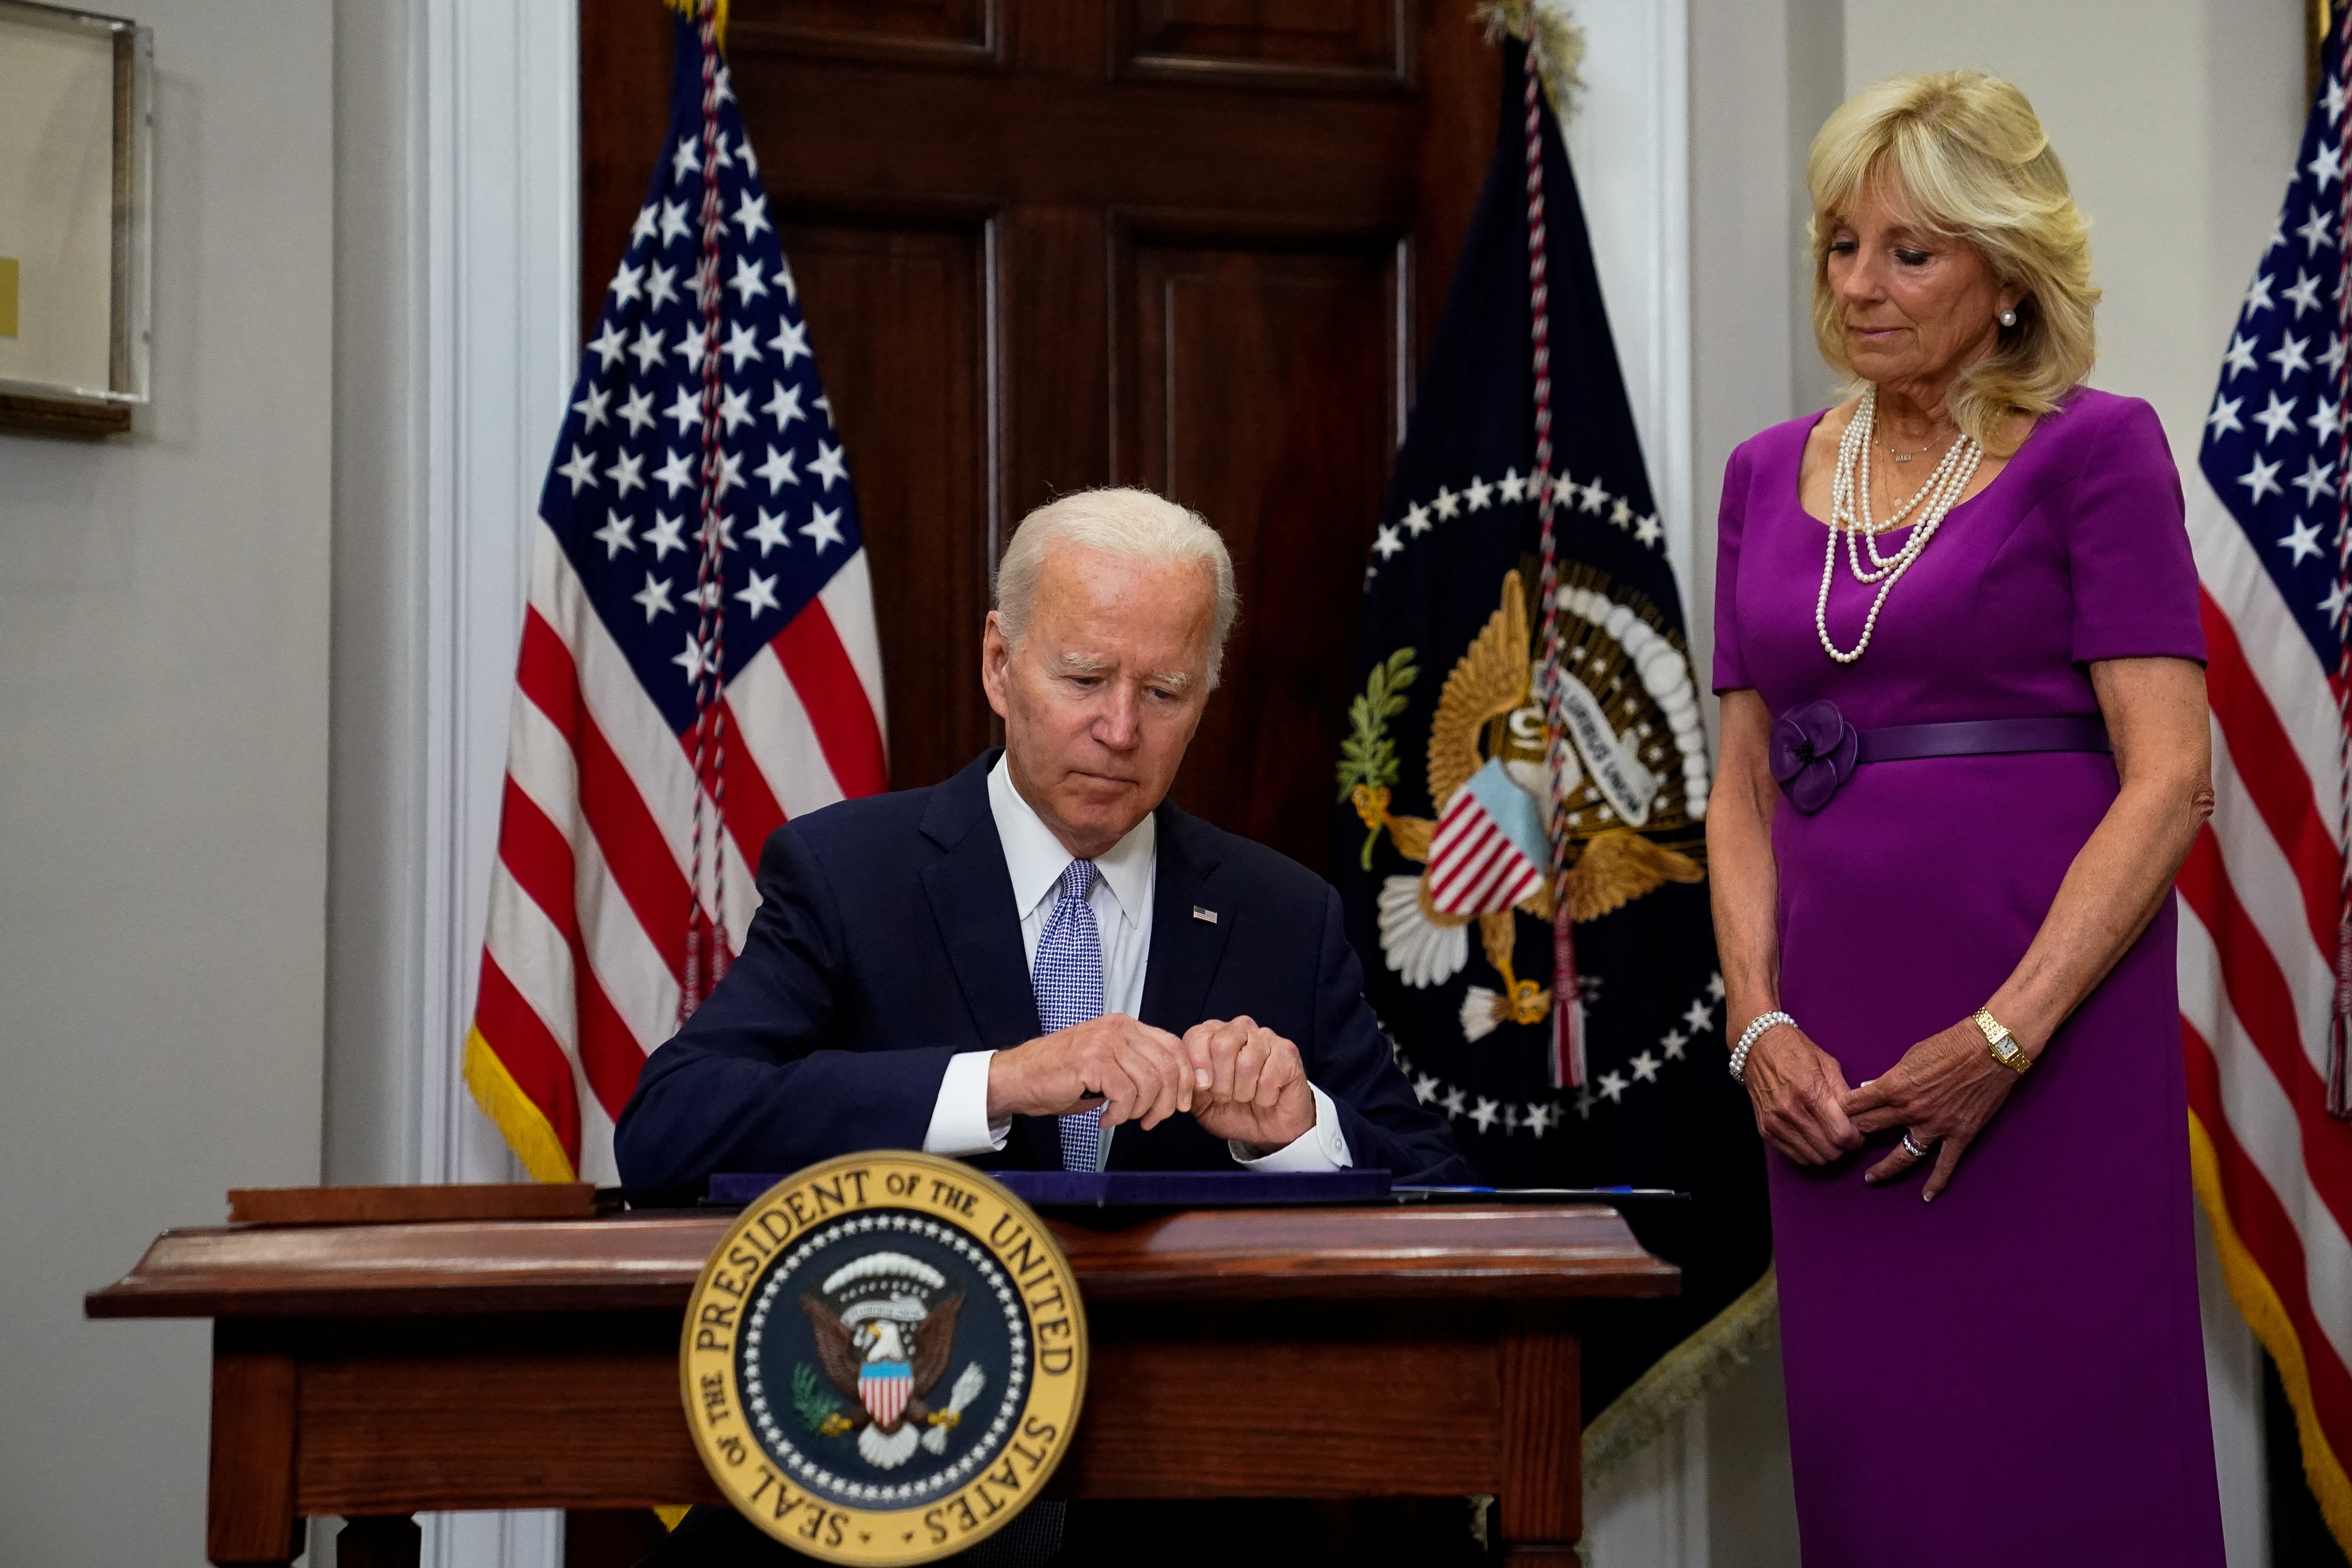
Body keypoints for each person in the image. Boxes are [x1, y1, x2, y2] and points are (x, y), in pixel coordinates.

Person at [1708, 71, 2225, 1565]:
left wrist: (2003, 1037)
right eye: (1839, 245)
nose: (1857, 285)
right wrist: (1755, 1025)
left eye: (1908, 252)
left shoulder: (2094, 449)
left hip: (2048, 1043)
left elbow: (2169, 777)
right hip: (1830, 1072)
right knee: (1881, 1474)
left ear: (2005, 271)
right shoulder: (1762, 474)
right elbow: (1738, 786)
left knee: (2066, 1460)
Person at [615, 486, 1473, 1209]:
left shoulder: (1284, 913)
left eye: (1164, 692)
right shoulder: (847, 877)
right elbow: (670, 1130)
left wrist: (1296, 1133)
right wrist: (999, 1081)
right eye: (1085, 679)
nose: (1120, 729)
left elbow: (1444, 1195)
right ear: (1000, 663)